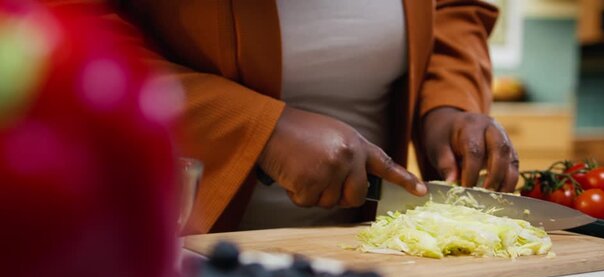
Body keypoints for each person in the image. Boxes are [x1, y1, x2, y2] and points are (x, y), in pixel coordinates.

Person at [114, 0, 519, 234]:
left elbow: (452, 8)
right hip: (159, 248)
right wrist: (259, 129)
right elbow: (74, 35)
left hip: (354, 256)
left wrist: (445, 104)